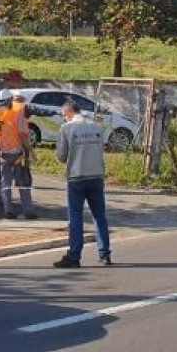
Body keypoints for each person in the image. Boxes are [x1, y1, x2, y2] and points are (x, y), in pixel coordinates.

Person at [53, 99, 112, 268]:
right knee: (99, 215)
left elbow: (62, 156)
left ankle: (74, 256)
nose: (64, 119)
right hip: (96, 176)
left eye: (64, 116)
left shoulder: (67, 128)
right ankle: (104, 253)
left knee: (76, 217)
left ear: (69, 113)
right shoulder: (96, 127)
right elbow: (100, 149)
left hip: (77, 177)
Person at [0, 88, 36, 219]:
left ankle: (8, 209)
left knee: (5, 183)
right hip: (17, 154)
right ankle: (28, 211)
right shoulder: (16, 115)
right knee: (23, 182)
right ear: (9, 101)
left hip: (2, 154)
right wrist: (30, 151)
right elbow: (23, 135)